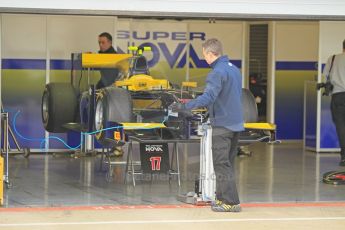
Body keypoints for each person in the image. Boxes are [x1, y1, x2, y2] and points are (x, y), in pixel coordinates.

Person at [173, 38, 244, 212]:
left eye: (204, 55)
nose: (204, 58)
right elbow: (226, 96)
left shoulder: (216, 72)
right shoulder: (234, 70)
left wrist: (185, 106)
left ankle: (231, 202)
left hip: (223, 125)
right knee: (227, 163)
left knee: (221, 164)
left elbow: (209, 97)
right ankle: (221, 199)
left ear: (211, 53)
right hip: (235, 124)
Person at [323, 39, 345, 166]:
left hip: (338, 97)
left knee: (341, 127)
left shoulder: (333, 59)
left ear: (342, 47)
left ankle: (344, 157)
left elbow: (325, 76)